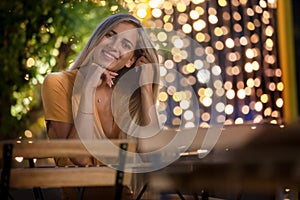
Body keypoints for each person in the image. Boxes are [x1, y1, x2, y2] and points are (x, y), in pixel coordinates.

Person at [41, 13, 160, 199]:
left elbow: (154, 155)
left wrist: (145, 89)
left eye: (126, 45)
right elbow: (79, 158)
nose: (114, 46)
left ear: (130, 60)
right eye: (110, 35)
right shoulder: (58, 83)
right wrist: (88, 87)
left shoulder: (127, 96)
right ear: (97, 39)